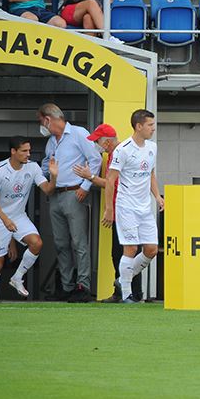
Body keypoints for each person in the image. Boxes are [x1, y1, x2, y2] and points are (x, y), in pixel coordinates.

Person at [38, 103, 102, 303]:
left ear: (48, 119)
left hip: (75, 193)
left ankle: (82, 285)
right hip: (55, 194)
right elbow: (46, 163)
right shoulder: (51, 142)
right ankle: (66, 286)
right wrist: (44, 173)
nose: (41, 126)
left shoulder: (78, 133)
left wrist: (85, 186)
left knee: (79, 242)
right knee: (60, 243)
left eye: (41, 121)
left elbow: (95, 160)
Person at [73, 123, 144, 303]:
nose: (96, 144)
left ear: (105, 142)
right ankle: (124, 292)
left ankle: (131, 293)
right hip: (124, 210)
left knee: (126, 253)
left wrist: (90, 177)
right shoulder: (116, 153)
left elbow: (113, 184)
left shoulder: (119, 154)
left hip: (125, 211)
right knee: (120, 253)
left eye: (97, 141)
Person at [102, 110, 164, 303]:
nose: (153, 129)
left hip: (145, 207)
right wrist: (109, 209)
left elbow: (150, 174)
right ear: (139, 126)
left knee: (152, 249)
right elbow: (110, 180)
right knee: (130, 248)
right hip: (126, 206)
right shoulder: (123, 149)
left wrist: (157, 196)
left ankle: (123, 279)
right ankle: (127, 295)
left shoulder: (152, 147)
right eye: (150, 125)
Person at [0, 137, 58, 299]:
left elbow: (48, 190)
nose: (28, 154)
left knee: (37, 243)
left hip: (19, 216)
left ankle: (17, 278)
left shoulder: (32, 167)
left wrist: (53, 177)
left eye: (29, 150)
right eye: (24, 151)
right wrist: (5, 220)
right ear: (13, 152)